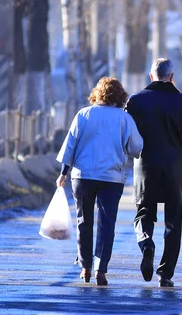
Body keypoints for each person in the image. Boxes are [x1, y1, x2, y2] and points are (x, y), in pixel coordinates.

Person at [126, 58, 182, 288]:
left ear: (151, 76)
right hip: (174, 171)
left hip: (145, 168)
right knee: (173, 222)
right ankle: (165, 273)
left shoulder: (136, 101)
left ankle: (146, 243)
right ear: (172, 77)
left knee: (144, 213)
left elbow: (126, 135)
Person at [56, 77, 143, 286]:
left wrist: (63, 173)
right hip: (112, 178)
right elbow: (136, 147)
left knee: (83, 221)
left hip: (82, 177)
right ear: (120, 96)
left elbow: (70, 146)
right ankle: (100, 269)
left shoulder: (84, 114)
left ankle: (85, 266)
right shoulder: (124, 119)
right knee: (107, 223)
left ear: (97, 94)